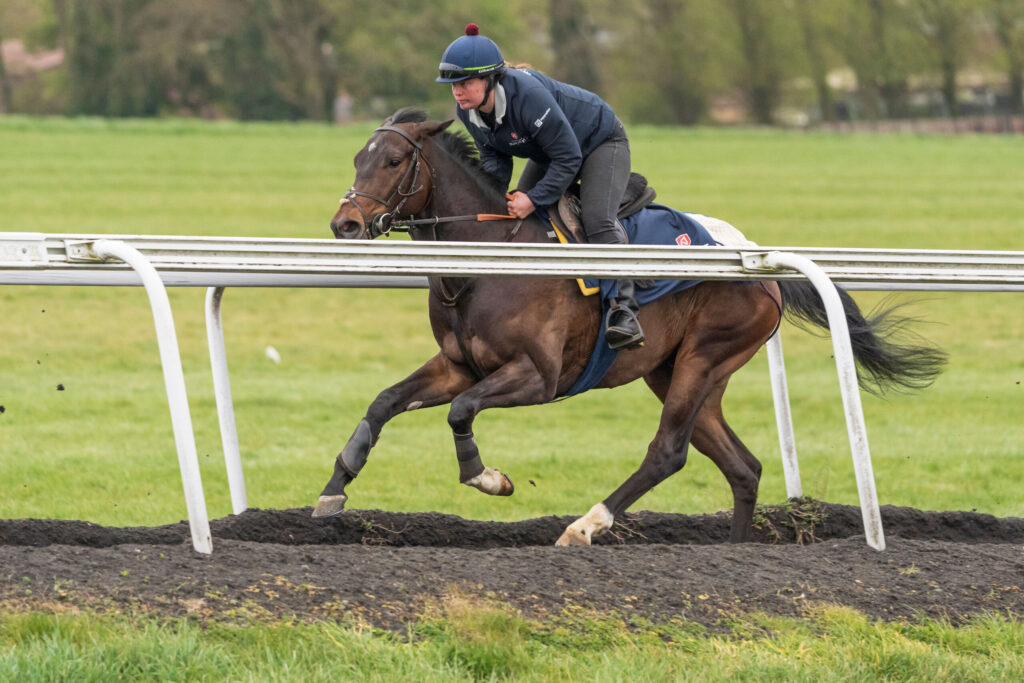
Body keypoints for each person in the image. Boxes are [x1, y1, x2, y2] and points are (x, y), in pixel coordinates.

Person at [436, 23, 644, 351]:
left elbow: (569, 157)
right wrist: (492, 199)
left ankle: (624, 310)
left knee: (596, 219)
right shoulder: (469, 112)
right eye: (453, 85)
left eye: (465, 83)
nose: (458, 92)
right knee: (515, 215)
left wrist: (533, 198)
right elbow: (495, 160)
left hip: (600, 142)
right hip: (551, 150)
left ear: (489, 80)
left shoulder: (527, 97)